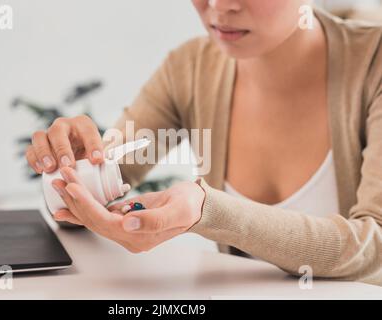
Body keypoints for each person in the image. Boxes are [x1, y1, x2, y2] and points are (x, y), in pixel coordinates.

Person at [25, 1, 382, 285]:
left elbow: (374, 245)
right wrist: (70, 171)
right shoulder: (190, 68)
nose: (218, 5)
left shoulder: (372, 64)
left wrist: (209, 210)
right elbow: (89, 198)